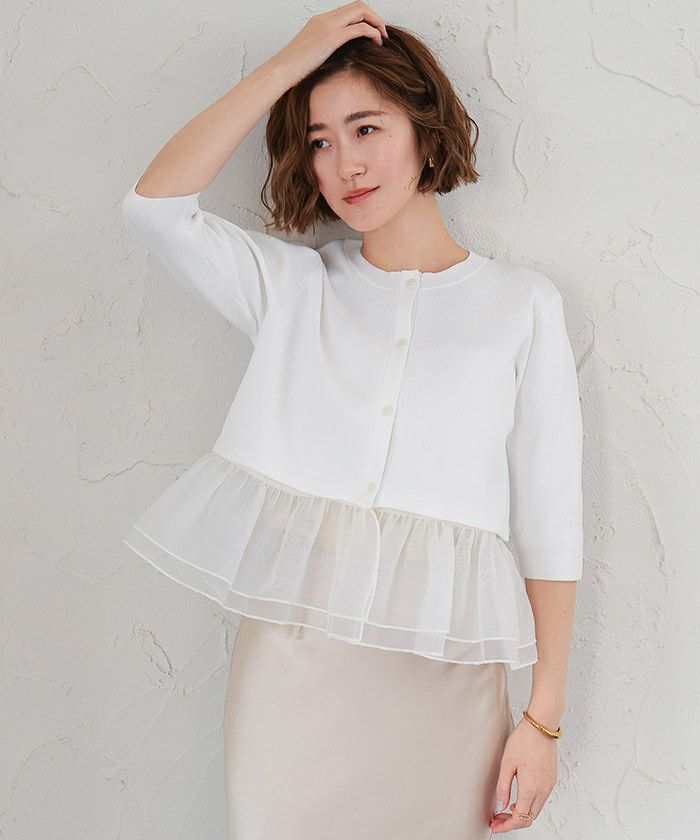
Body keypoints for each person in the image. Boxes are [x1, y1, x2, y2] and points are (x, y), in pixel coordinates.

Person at [120, 2, 583, 837]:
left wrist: (543, 721)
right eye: (320, 141)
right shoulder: (293, 292)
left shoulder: (522, 307)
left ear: (426, 134)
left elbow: (551, 523)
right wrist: (285, 67)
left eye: (366, 128)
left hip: (446, 678)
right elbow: (154, 208)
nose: (344, 164)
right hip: (293, 673)